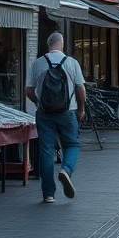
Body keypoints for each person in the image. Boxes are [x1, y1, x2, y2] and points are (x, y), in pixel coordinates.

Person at [25, 31, 86, 203]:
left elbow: (28, 90)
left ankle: (48, 194)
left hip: (45, 114)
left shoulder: (38, 63)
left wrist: (38, 103)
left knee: (46, 152)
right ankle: (66, 170)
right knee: (72, 144)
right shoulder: (72, 63)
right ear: (62, 44)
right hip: (67, 112)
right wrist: (81, 109)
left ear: (48, 45)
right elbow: (81, 89)